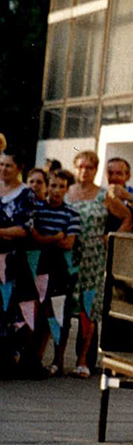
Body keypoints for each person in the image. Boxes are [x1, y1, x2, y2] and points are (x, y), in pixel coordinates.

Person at [65, 150, 131, 377]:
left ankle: (83, 360)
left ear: (95, 170)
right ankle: (56, 359)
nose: (84, 171)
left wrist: (110, 237)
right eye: (80, 167)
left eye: (90, 167)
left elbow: (127, 217)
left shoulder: (103, 195)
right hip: (68, 254)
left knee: (89, 307)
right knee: (62, 305)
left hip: (93, 255)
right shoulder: (66, 192)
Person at [28, 169, 81, 376]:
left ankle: (53, 360)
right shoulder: (37, 210)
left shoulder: (71, 213)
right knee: (35, 310)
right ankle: (30, 357)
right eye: (53, 186)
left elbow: (68, 243)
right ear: (47, 186)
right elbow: (33, 237)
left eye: (61, 187)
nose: (56, 191)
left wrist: (44, 238)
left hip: (59, 268)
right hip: (38, 264)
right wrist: (54, 237)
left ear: (67, 189)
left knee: (56, 313)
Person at [0, 150, 38, 377]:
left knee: (9, 309)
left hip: (11, 261)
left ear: (19, 168)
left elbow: (24, 228)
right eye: (1, 164)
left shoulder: (26, 194)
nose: (3, 169)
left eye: (8, 166)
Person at [104, 157, 133, 232]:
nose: (114, 178)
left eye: (119, 174)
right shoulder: (100, 193)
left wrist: (128, 197)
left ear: (128, 176)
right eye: (110, 173)